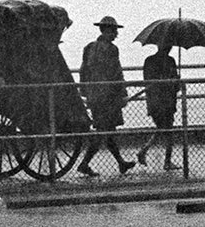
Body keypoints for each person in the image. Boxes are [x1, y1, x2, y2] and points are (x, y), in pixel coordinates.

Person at [77, 16, 132, 175]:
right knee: (104, 131)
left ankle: (121, 163)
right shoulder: (112, 49)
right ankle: (85, 163)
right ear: (107, 31)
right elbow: (116, 73)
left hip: (94, 96)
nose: (116, 34)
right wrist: (123, 93)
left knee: (107, 130)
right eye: (114, 31)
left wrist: (85, 91)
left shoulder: (89, 48)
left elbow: (83, 71)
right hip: (108, 97)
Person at [134, 43, 182, 171]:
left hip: (156, 101)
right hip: (165, 100)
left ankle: (145, 151)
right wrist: (175, 81)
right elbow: (174, 85)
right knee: (167, 130)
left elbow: (148, 81)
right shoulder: (170, 61)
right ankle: (165, 161)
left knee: (162, 129)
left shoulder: (149, 61)